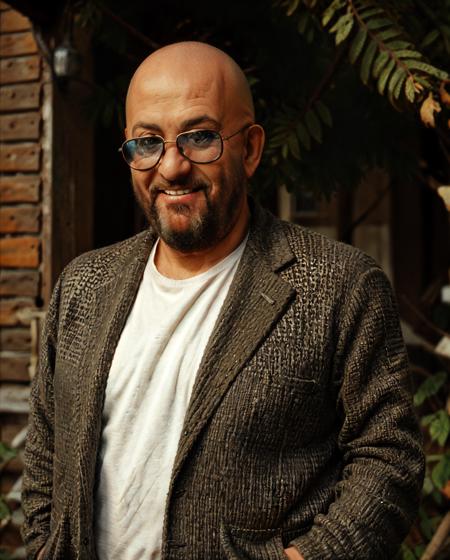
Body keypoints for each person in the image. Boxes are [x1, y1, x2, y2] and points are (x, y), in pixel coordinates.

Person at [22, 41, 424, 560]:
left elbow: (389, 459)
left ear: (250, 148)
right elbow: (45, 455)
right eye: (147, 142)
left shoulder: (339, 285)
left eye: (200, 137)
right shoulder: (83, 284)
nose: (171, 167)